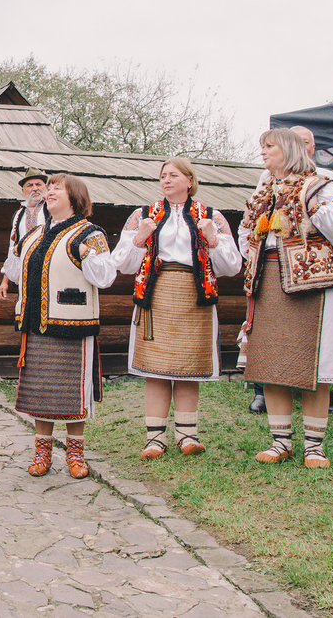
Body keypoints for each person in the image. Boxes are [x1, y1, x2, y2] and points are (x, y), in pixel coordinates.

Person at [237, 128, 333, 469]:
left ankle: (314, 446)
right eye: (261, 146)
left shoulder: (319, 185)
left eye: (269, 146)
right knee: (271, 365)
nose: (262, 152)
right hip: (269, 280)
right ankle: (280, 442)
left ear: (290, 149)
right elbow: (246, 231)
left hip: (310, 283)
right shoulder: (264, 189)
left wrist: (314, 206)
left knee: (312, 366)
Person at [111, 158, 242, 459]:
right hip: (155, 292)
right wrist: (141, 238)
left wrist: (212, 239)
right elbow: (121, 263)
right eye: (163, 176)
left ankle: (187, 435)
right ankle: (155, 439)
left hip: (193, 294)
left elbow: (232, 266)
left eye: (173, 175)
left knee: (187, 368)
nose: (166, 180)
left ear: (189, 180)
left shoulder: (211, 216)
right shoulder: (143, 216)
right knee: (156, 369)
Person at [2, 173, 115, 477]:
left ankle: (75, 454)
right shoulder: (34, 234)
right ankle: (43, 453)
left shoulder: (89, 233)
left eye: (56, 188)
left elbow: (106, 277)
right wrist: (16, 248)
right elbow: (14, 269)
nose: (49, 191)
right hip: (36, 325)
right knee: (41, 393)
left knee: (72, 393)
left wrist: (86, 254)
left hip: (73, 325)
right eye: (48, 187)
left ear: (74, 196)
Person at [0, 166, 49, 301]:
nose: (35, 188)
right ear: (23, 190)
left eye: (39, 184)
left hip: (50, 274)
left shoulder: (52, 209)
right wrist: (5, 280)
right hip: (25, 276)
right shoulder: (18, 215)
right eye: (30, 185)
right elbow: (12, 248)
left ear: (46, 187)